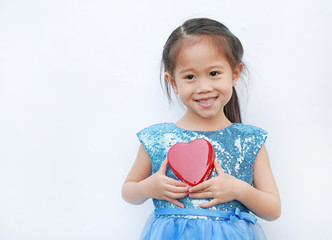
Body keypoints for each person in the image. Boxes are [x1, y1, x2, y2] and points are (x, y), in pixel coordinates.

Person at [121, 18, 281, 240]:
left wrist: (239, 190)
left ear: (235, 74)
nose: (204, 87)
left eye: (214, 73)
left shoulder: (249, 140)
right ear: (173, 82)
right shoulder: (156, 138)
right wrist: (148, 188)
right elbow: (128, 190)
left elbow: (273, 209)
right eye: (190, 77)